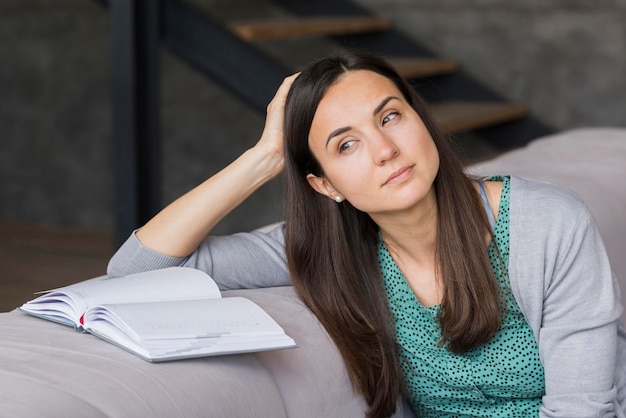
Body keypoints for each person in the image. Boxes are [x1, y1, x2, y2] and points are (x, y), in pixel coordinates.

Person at [108, 50, 626, 417]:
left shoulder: (547, 222)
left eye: (391, 117)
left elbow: (585, 409)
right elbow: (136, 270)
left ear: (420, 121)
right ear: (324, 184)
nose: (384, 149)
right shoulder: (336, 252)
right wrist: (263, 158)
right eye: (346, 145)